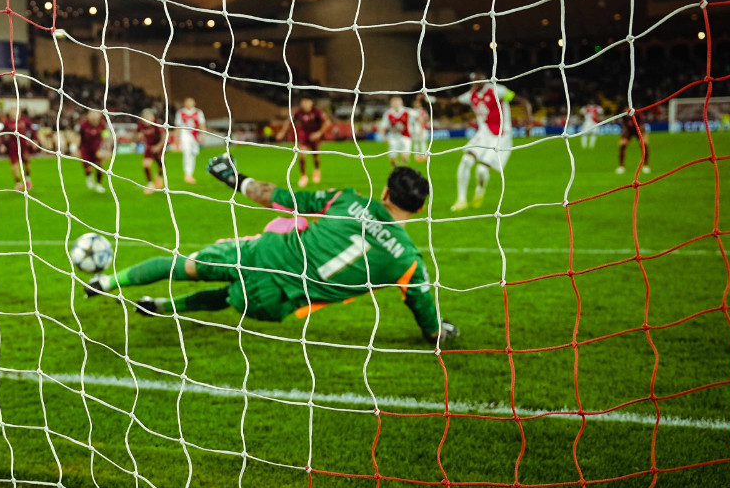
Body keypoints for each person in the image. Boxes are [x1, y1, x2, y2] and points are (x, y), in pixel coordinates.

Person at [84, 156, 458, 346]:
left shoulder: (346, 201)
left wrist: (235, 178)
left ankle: (108, 280)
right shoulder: (409, 262)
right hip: (279, 300)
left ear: (386, 193)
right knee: (233, 296)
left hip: (264, 253)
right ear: (419, 210)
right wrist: (439, 332)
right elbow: (425, 312)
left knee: (186, 266)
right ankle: (164, 307)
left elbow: (280, 198)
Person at [444, 72, 532, 211]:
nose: (473, 84)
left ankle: (480, 191)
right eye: (472, 82)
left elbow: (522, 101)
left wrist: (528, 123)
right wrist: (429, 98)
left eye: (476, 82)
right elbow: (452, 101)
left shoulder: (498, 91)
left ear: (484, 82)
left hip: (501, 136)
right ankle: (461, 200)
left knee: (481, 170)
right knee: (466, 160)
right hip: (483, 134)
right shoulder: (470, 95)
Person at [281, 97, 330, 187]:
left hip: (315, 136)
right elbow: (289, 121)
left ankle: (316, 170)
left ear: (311, 102)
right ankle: (303, 176)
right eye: (303, 102)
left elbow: (327, 122)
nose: (305, 104)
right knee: (302, 156)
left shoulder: (317, 112)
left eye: (307, 102)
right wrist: (282, 132)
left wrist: (319, 133)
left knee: (316, 156)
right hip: (305, 136)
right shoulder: (298, 112)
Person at [78, 109, 111, 193]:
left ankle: (99, 185)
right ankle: (89, 178)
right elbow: (79, 137)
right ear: (88, 115)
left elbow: (106, 138)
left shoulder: (102, 125)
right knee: (88, 169)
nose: (93, 116)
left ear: (99, 116)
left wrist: (108, 150)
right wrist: (76, 148)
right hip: (85, 149)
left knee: (99, 167)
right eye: (91, 114)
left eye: (95, 114)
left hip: (97, 149)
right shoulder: (83, 125)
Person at [376, 95, 414, 167]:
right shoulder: (388, 113)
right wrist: (384, 136)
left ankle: (402, 170)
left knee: (405, 158)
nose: (396, 104)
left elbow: (419, 116)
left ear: (401, 103)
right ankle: (396, 170)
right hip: (393, 137)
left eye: (398, 102)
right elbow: (382, 126)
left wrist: (420, 127)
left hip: (405, 136)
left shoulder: (408, 111)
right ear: (391, 103)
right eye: (394, 102)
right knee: (392, 160)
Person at [175, 97, 206, 184]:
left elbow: (202, 123)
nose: (189, 104)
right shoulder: (180, 112)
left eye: (191, 102)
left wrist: (203, 134)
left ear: (194, 103)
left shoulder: (198, 112)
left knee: (194, 153)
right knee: (187, 153)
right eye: (188, 102)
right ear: (185, 103)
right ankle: (187, 174)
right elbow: (177, 125)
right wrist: (176, 137)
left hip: (195, 135)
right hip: (184, 135)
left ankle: (190, 173)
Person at [2, 106, 33, 191]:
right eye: (12, 113)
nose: (13, 114)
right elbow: (2, 134)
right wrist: (2, 145)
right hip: (13, 146)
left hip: (23, 144)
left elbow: (32, 130)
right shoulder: (7, 122)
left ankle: (27, 179)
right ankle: (18, 183)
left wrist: (34, 140)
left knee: (26, 163)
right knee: (14, 165)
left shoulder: (24, 120)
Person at [138, 108, 166, 194]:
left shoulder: (157, 125)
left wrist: (158, 146)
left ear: (153, 117)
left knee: (161, 164)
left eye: (149, 116)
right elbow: (138, 134)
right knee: (146, 165)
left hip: (159, 146)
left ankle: (159, 177)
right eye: (145, 117)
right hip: (149, 146)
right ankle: (150, 184)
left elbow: (164, 137)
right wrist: (138, 137)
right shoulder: (140, 125)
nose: (147, 118)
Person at [616, 108, 650, 174]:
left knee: (644, 145)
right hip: (628, 130)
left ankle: (646, 166)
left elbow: (641, 124)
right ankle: (621, 166)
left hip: (638, 129)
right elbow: (624, 124)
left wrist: (641, 134)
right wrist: (624, 134)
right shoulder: (624, 114)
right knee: (622, 146)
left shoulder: (638, 114)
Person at [411, 96, 430, 162]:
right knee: (416, 142)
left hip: (423, 128)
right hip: (414, 129)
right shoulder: (412, 111)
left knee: (423, 142)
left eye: (417, 103)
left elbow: (427, 119)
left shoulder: (423, 111)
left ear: (420, 104)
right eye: (415, 103)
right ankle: (416, 156)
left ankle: (424, 155)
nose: (416, 104)